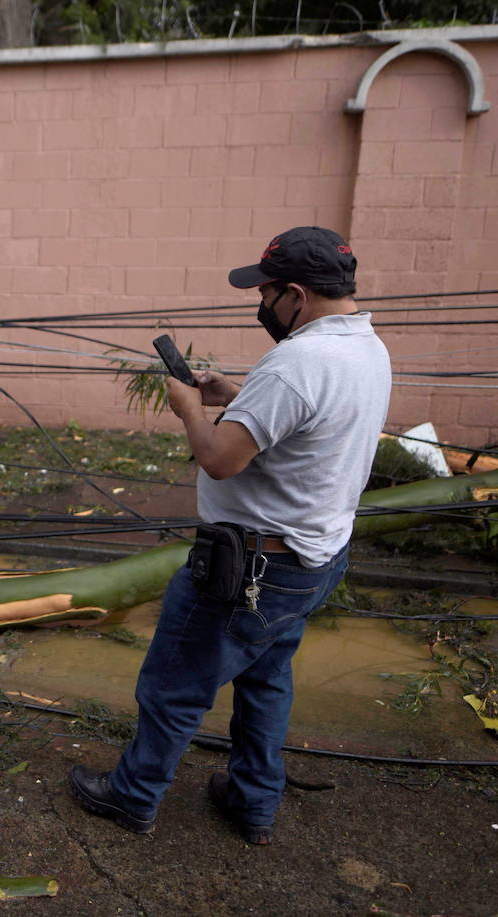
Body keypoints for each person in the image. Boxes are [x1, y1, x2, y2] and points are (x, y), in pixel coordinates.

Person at [68, 226, 391, 844]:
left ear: (296, 294)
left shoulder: (298, 361)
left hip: (250, 569)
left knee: (174, 686)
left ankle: (133, 797)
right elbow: (309, 417)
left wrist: (189, 406)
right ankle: (253, 802)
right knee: (266, 682)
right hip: (313, 560)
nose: (262, 304)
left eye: (268, 292)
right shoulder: (366, 347)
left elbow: (220, 457)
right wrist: (237, 394)